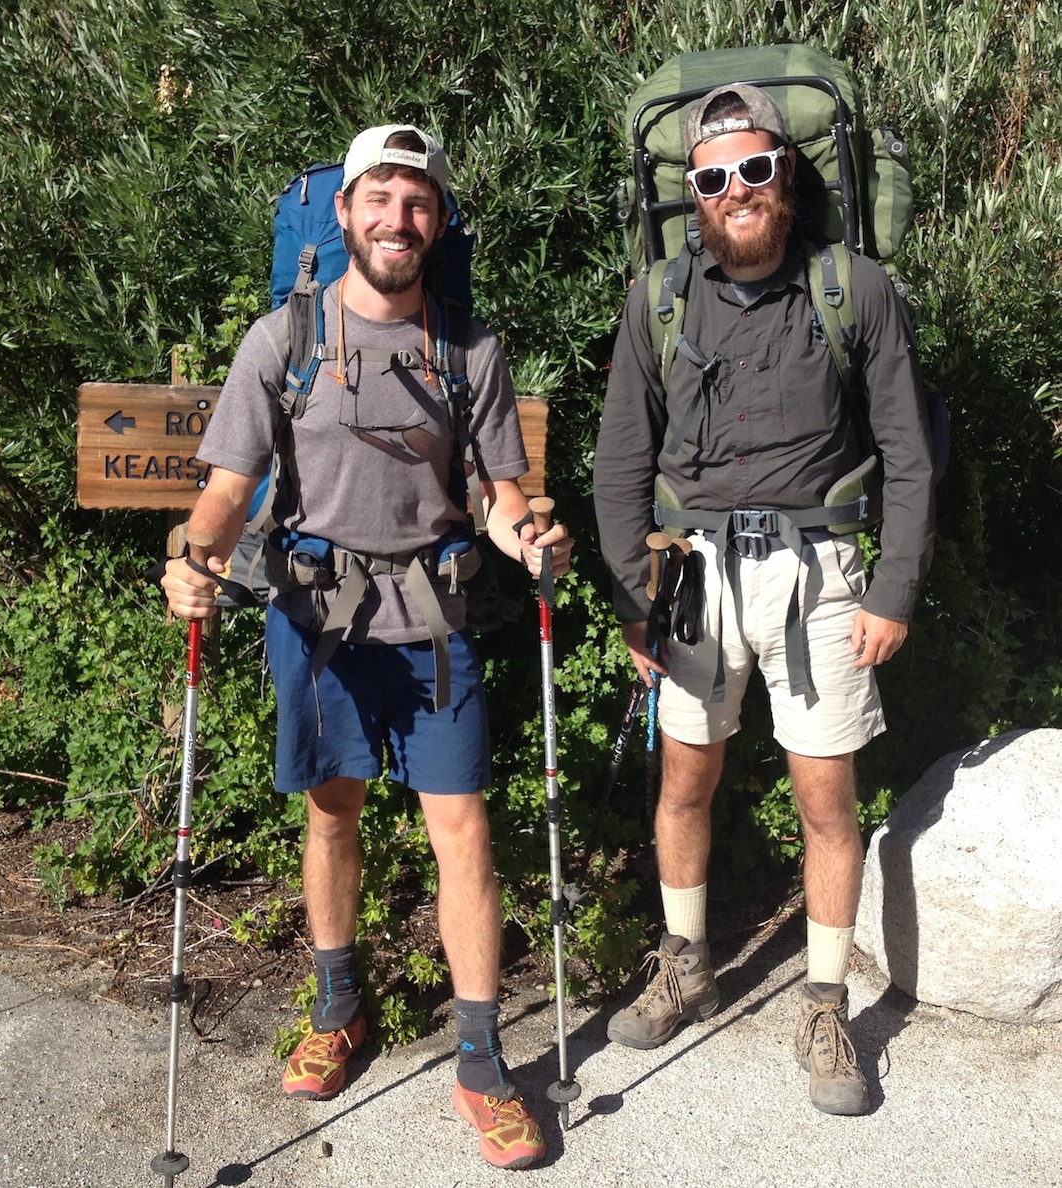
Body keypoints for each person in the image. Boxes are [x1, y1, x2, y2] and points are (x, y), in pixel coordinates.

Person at [161, 124, 572, 1169]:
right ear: (341, 215)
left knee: (463, 833)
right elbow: (221, 491)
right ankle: (341, 1005)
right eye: (377, 198)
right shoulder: (280, 341)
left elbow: (494, 492)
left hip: (429, 621)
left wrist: (526, 536)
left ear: (438, 222)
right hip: (318, 621)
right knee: (329, 817)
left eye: (417, 201)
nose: (397, 218)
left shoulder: (466, 348)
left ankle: (481, 1062)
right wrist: (191, 556)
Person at [592, 84, 935, 1115]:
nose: (733, 189)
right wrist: (628, 599)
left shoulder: (852, 289)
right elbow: (618, 461)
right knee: (683, 785)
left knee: (826, 801)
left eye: (752, 168)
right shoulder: (656, 298)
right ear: (690, 193)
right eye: (710, 176)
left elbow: (908, 455)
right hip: (691, 575)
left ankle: (826, 1005)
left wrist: (893, 588)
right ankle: (685, 963)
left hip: (822, 576)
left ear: (785, 175)